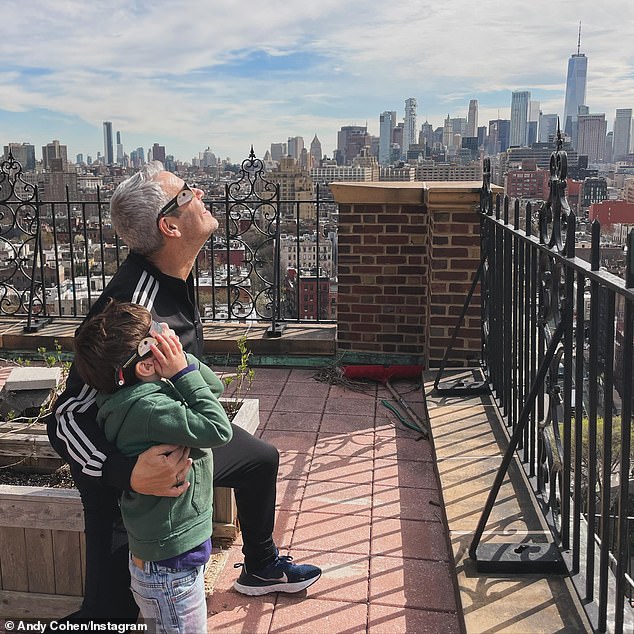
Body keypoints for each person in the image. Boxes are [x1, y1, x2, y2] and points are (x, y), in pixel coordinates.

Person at [47, 161, 321, 621]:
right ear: (169, 226)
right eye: (187, 192)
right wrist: (127, 472)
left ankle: (260, 566)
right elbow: (66, 417)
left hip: (173, 446)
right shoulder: (133, 309)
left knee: (260, 460)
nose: (199, 192)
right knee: (107, 619)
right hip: (125, 487)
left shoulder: (178, 277)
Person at [73, 299, 233, 631]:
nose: (167, 335)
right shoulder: (149, 408)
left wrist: (180, 365)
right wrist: (181, 372)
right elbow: (218, 428)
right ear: (145, 365)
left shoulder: (140, 391)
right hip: (170, 568)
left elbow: (213, 388)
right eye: (158, 334)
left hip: (171, 556)